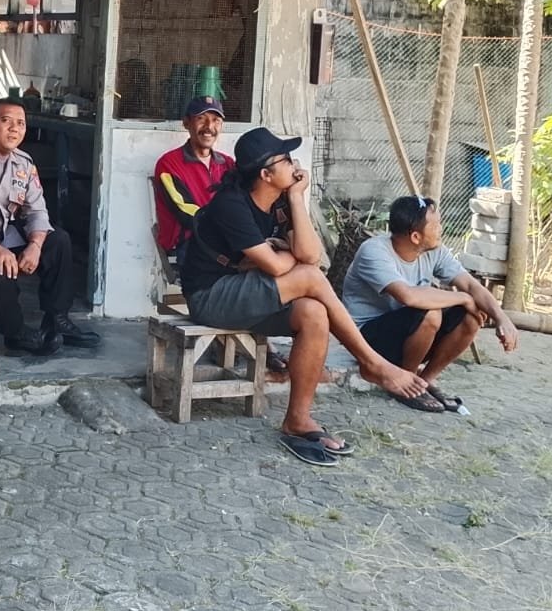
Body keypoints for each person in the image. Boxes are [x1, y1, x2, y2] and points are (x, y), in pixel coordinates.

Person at [180, 127, 430, 467]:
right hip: (211, 297)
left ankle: (297, 419)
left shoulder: (282, 201)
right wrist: (285, 256)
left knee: (314, 312)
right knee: (309, 278)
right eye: (286, 159)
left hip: (249, 292)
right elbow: (279, 266)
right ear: (266, 174)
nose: (295, 164)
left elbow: (310, 255)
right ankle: (372, 362)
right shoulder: (232, 205)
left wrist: (297, 199)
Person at [0, 97, 99, 356]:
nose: (15, 128)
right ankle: (16, 333)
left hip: (4, 236)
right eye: (6, 121)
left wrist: (35, 245)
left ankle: (57, 319)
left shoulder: (24, 163)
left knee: (58, 240)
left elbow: (37, 210)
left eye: (21, 123)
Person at [341, 195, 519, 414]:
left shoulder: (434, 251)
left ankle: (425, 381)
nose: (441, 229)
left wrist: (502, 318)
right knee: (431, 312)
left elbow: (471, 285)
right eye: (435, 225)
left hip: (410, 335)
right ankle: (406, 382)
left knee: (472, 315)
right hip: (367, 339)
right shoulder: (374, 251)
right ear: (416, 237)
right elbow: (408, 297)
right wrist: (465, 298)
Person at [153, 96, 235, 266]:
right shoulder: (168, 164)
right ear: (186, 123)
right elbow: (186, 212)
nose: (209, 127)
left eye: (216, 120)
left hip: (225, 237)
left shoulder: (227, 163)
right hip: (189, 243)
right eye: (201, 119)